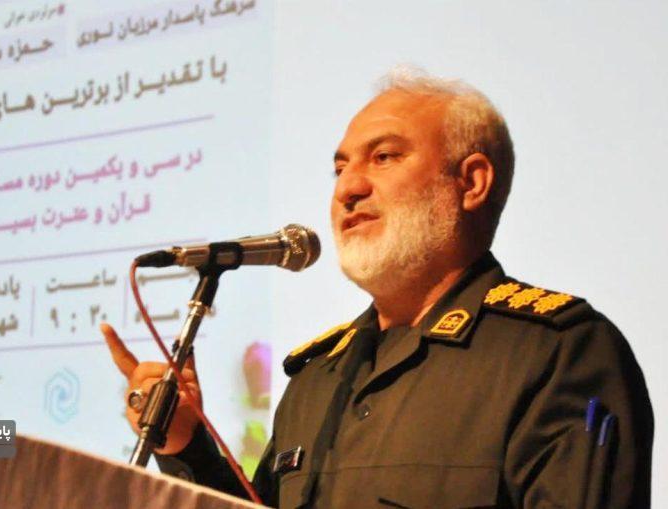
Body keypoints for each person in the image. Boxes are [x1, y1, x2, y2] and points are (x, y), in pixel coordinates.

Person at [102, 67, 653, 508]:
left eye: (384, 157)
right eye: (339, 168)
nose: (348, 187)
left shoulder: (559, 353)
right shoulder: (317, 377)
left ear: (471, 182)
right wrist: (187, 443)